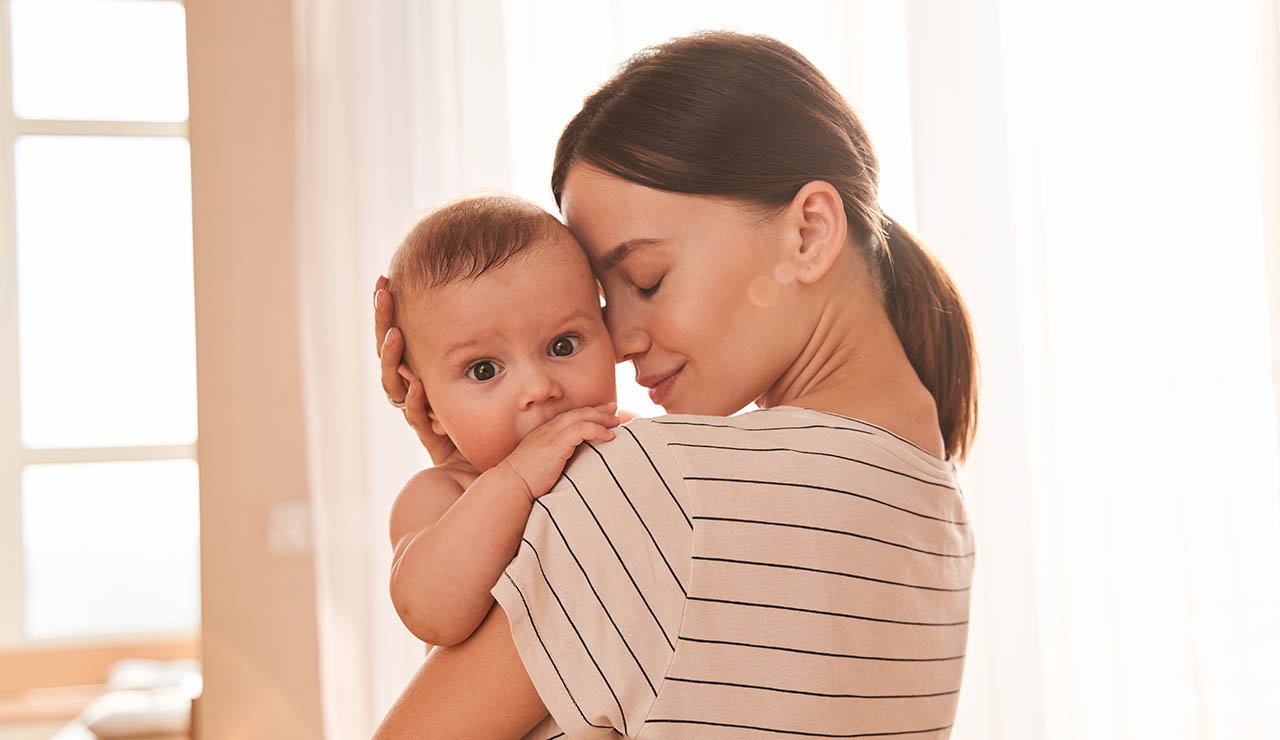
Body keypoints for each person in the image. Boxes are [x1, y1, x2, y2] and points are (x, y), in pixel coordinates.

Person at [372, 30, 979, 740]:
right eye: (603, 305)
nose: (621, 344)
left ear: (810, 232)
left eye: (647, 281)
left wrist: (468, 472)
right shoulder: (936, 509)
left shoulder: (654, 483)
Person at [382, 194, 622, 650]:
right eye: (485, 370)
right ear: (427, 403)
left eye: (564, 345)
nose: (539, 388)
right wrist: (514, 480)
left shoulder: (627, 440)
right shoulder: (445, 495)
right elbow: (431, 612)